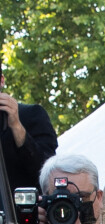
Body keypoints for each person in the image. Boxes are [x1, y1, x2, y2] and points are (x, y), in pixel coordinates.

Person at [0, 58, 58, 192]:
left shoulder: (32, 115)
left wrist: (16, 126)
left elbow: (47, 172)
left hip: (19, 210)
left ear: (1, 81)